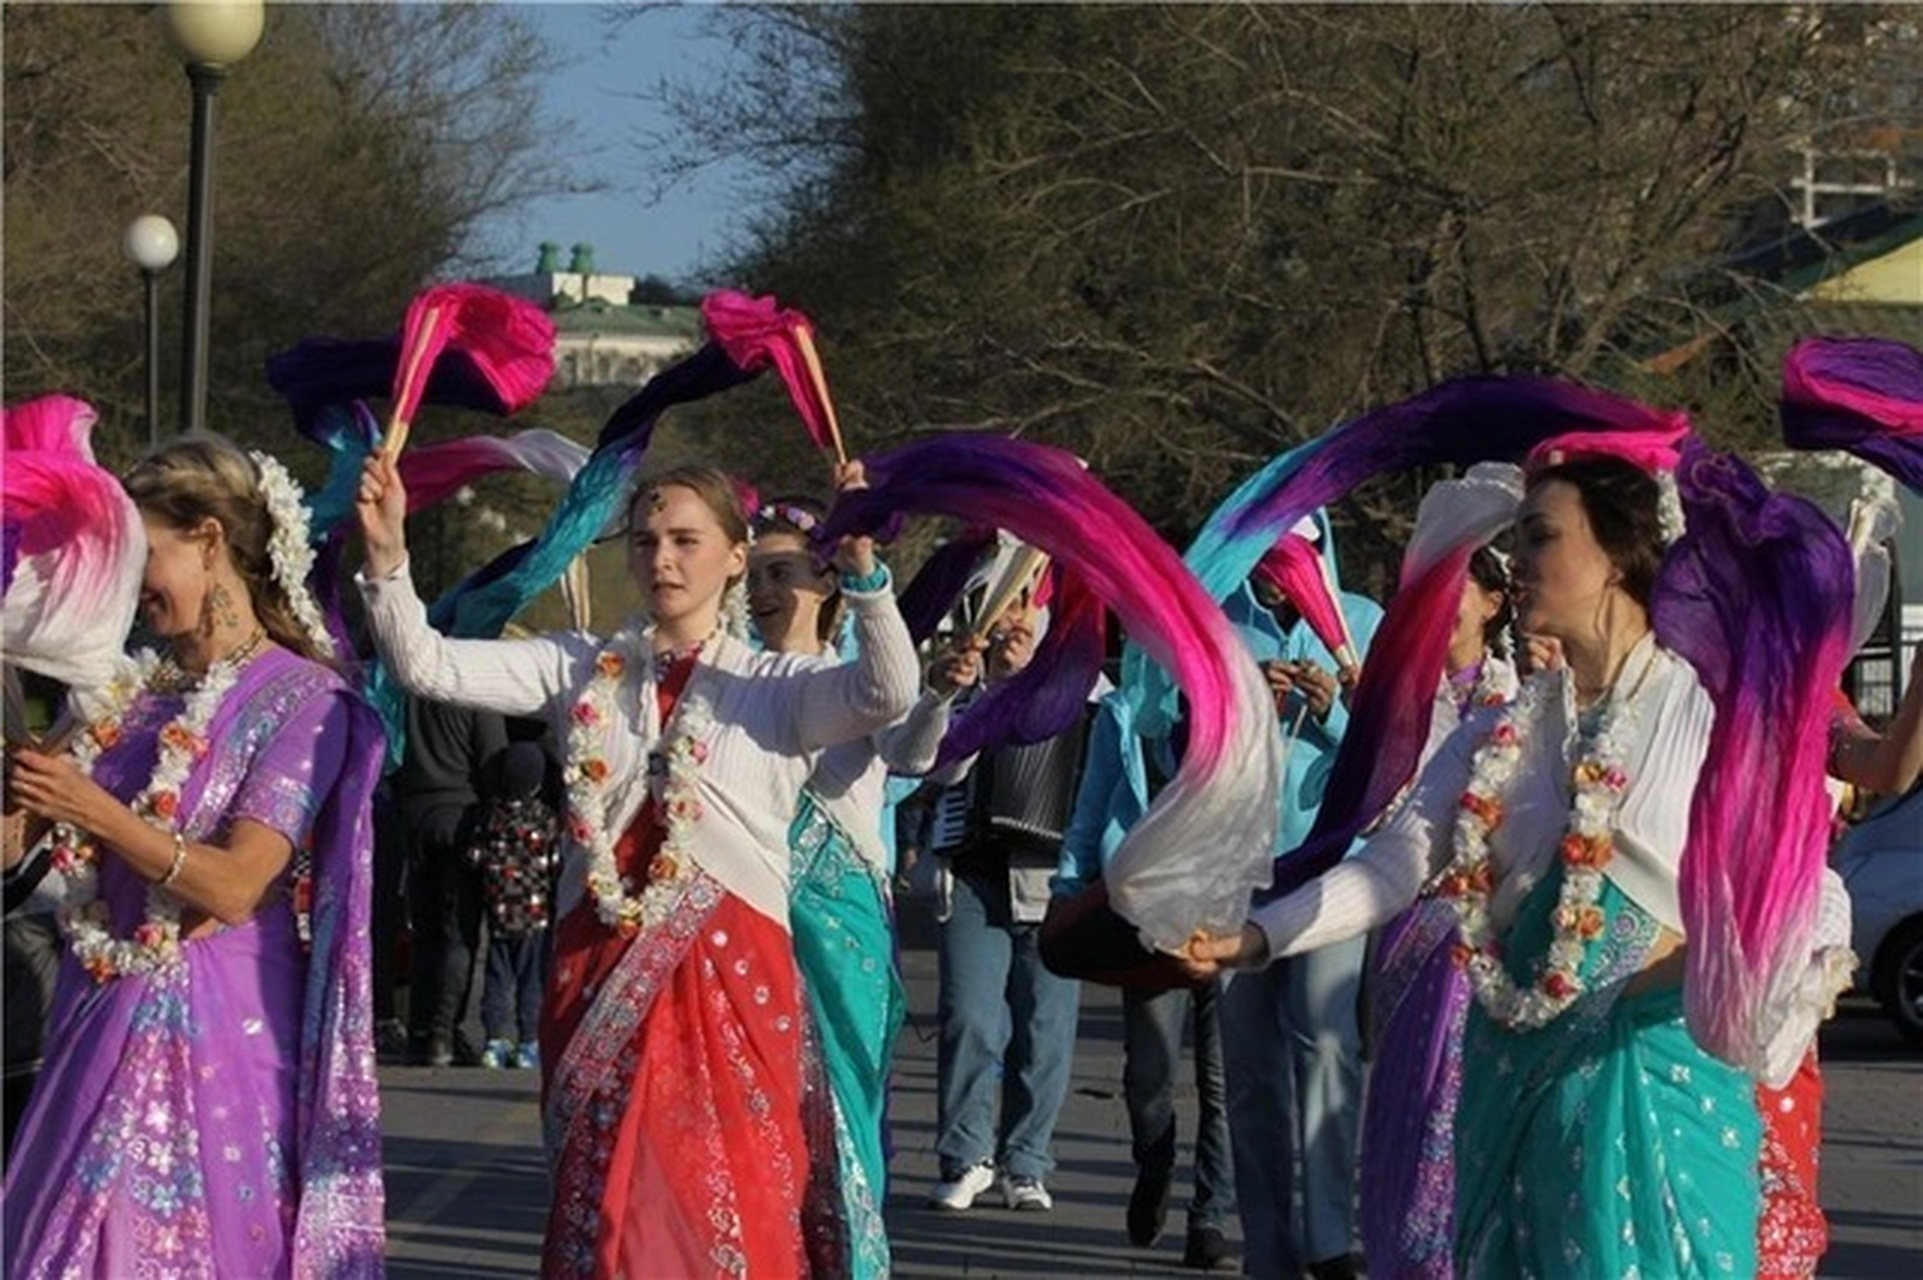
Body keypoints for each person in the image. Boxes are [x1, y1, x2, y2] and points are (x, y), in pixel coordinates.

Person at [1187, 455, 1772, 1274]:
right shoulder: (1503, 732)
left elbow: (1797, 882)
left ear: (1618, 554)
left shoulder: (1703, 709)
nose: (1520, 562)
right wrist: (1256, 938)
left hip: (1653, 1078)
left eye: (1541, 537)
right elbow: (1398, 858)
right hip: (1511, 1076)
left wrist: (1753, 986)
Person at [355, 452, 920, 1276]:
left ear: (735, 557)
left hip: (735, 979)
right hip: (599, 964)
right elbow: (425, 664)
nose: (662, 558)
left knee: (729, 1194)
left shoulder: (778, 684)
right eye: (647, 539)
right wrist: (387, 558)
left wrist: (865, 576)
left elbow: (887, 693)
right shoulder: (578, 666)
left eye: (687, 540)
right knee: (618, 1204)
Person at [3, 435, 385, 1275]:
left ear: (210, 540)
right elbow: (11, 844)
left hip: (222, 1041)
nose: (128, 587)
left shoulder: (305, 700)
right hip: (95, 1023)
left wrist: (93, 809)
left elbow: (237, 883)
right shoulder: (126, 698)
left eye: (142, 552)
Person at [746, 497, 967, 1278]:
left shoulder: (860, 680)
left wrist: (936, 694)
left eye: (782, 573)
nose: (761, 590)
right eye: (751, 574)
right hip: (750, 920)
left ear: (828, 582)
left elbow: (910, 751)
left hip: (840, 929)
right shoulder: (730, 679)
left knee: (842, 1105)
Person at [1219, 513, 1382, 1280]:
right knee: (1247, 1068)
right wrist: (1238, 700)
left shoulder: (1363, 623)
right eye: (1265, 560)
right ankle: (1266, 1246)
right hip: (1234, 869)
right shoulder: (1219, 621)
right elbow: (1166, 728)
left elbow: (1398, 744)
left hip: (1329, 867)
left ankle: (1329, 1240)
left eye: (1292, 561)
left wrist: (1334, 709)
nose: (1276, 578)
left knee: (1326, 1045)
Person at [1357, 545, 1517, 1280]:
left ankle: (1448, 1257)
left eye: (1462, 587)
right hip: (1407, 914)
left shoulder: (1522, 694)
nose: (1443, 601)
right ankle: (1398, 1249)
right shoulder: (1401, 693)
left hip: (1480, 925)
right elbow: (1367, 810)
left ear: (1492, 602)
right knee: (1403, 1092)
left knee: (1453, 1091)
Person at [923, 578, 1090, 1215]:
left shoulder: (1083, 693)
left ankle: (1027, 1161)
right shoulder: (962, 691)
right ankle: (966, 1157)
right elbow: (932, 768)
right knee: (969, 1015)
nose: (1016, 621)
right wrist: (980, 693)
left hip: (1053, 879)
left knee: (1044, 1027)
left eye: (1027, 605)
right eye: (1006, 606)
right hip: (973, 868)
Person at [1056, 691, 1238, 1271]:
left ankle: (1209, 1213)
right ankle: (1154, 1162)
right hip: (1152, 910)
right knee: (1149, 1077)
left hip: (1234, 906)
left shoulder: (1245, 695)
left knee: (1222, 1077)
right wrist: (1069, 883)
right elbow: (1093, 805)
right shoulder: (1129, 708)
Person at [393, 694, 508, 1066]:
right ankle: (443, 1031)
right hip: (460, 816)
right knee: (458, 931)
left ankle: (420, 1028)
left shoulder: (409, 691)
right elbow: (494, 760)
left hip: (413, 815)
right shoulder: (474, 693)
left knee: (425, 929)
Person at [468, 738, 560, 1071]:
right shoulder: (545, 819)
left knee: (497, 975)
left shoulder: (491, 816)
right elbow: (554, 862)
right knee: (531, 979)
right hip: (535, 914)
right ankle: (528, 1043)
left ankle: (493, 1041)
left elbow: (475, 857)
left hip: (499, 912)